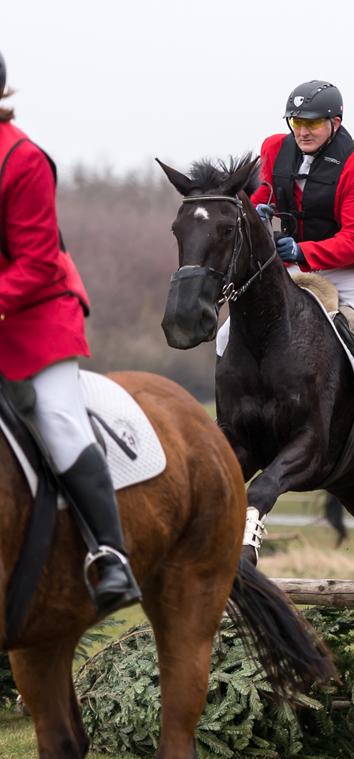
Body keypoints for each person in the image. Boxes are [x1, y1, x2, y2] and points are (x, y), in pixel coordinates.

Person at [0, 50, 140, 619]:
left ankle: (111, 555)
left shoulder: (23, 159)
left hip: (36, 315)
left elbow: (36, 263)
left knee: (57, 419)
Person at [217, 80, 354, 467]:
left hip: (348, 268)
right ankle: (229, 421)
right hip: (289, 264)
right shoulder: (275, 147)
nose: (302, 131)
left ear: (335, 123)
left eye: (312, 123)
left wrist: (304, 250)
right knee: (227, 335)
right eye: (296, 122)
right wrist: (257, 213)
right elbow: (263, 197)